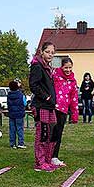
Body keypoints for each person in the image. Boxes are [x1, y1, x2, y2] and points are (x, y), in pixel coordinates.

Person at [29, 41, 58, 172]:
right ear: (42, 52)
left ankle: (47, 159)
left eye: (52, 52)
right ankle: (40, 162)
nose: (50, 54)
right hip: (41, 105)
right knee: (43, 134)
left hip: (50, 106)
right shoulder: (37, 66)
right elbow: (33, 85)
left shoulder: (48, 67)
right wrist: (46, 97)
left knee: (52, 134)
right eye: (48, 52)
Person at [51, 57, 79, 167]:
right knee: (50, 133)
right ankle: (46, 155)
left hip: (63, 110)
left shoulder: (73, 81)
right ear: (61, 67)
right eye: (65, 67)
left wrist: (74, 114)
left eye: (70, 68)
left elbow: (74, 98)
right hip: (53, 108)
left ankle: (54, 156)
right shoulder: (55, 76)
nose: (68, 70)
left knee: (58, 134)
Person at [7, 80, 27, 149]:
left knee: (12, 129)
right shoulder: (21, 95)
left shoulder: (9, 95)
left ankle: (12, 143)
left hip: (11, 114)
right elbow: (25, 103)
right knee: (20, 129)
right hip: (19, 114)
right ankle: (21, 143)